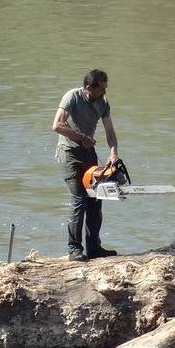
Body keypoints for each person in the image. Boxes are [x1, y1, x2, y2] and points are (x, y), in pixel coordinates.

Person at [51, 68, 119, 261]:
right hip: (69, 154)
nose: (104, 93)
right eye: (101, 89)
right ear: (89, 87)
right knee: (79, 199)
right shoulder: (72, 97)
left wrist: (113, 152)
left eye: (106, 88)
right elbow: (57, 125)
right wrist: (81, 138)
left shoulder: (102, 103)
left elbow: (110, 131)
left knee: (96, 199)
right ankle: (74, 250)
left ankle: (94, 248)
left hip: (89, 153)